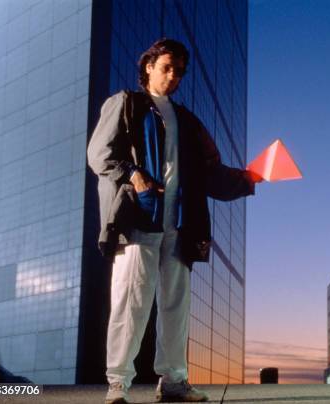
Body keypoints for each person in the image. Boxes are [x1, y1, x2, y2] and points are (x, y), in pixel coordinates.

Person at [87, 38, 262, 404]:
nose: (173, 76)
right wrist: (132, 173)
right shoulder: (126, 104)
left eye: (179, 71)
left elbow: (210, 174)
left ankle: (174, 383)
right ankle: (118, 383)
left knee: (175, 305)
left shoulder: (187, 120)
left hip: (181, 225)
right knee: (130, 302)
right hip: (139, 220)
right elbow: (100, 154)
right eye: (166, 67)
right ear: (148, 67)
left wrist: (250, 178)